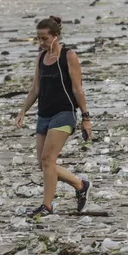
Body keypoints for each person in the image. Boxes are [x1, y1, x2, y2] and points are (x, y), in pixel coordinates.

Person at [14, 16, 92, 219]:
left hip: (64, 113)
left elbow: (77, 88)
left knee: (49, 159)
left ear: (55, 36)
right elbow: (35, 89)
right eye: (39, 39)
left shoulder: (69, 56)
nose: (41, 43)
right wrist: (23, 110)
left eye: (45, 38)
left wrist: (85, 117)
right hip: (44, 114)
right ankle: (80, 184)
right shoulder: (40, 58)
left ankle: (46, 206)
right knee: (43, 164)